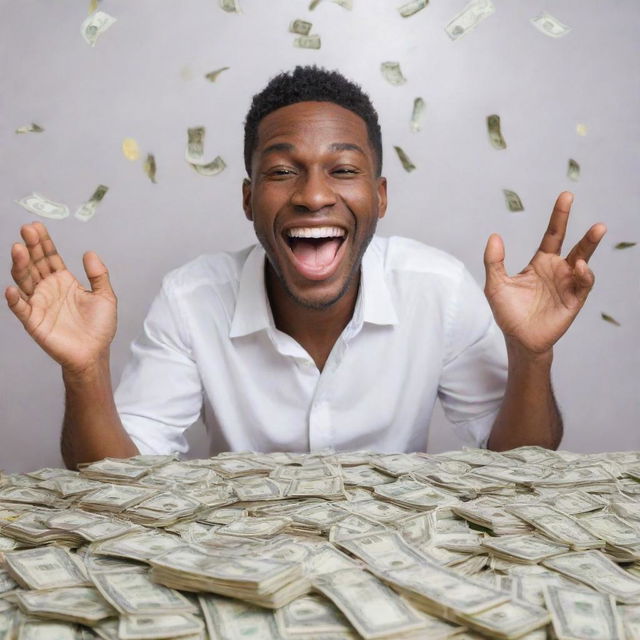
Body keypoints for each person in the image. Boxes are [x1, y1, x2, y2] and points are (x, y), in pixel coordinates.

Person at [6, 66, 606, 469]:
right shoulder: (192, 299)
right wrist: (84, 373)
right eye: (283, 169)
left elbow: (519, 465)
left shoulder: (439, 289)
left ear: (382, 195)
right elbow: (113, 480)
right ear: (247, 199)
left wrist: (533, 355)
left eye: (343, 170)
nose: (315, 195)